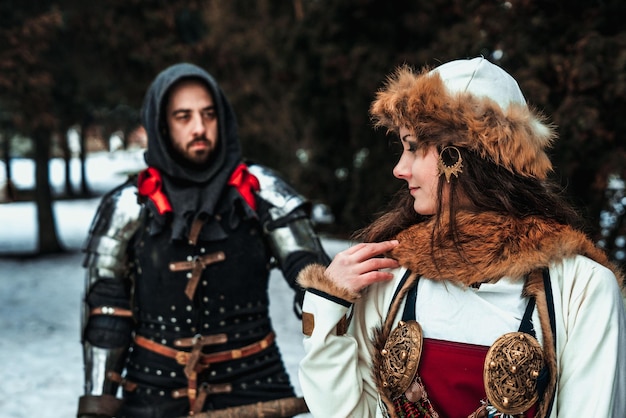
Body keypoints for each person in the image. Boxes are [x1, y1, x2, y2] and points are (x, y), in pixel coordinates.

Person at [297, 57, 626, 417]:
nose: (399, 169)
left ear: (458, 155)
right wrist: (328, 304)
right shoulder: (389, 277)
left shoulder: (582, 289)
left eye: (412, 147)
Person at [77, 62, 329, 418]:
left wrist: (339, 368)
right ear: (161, 125)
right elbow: (106, 313)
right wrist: (97, 404)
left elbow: (319, 286)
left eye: (208, 114)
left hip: (256, 388)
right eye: (184, 116)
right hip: (153, 394)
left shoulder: (261, 192)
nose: (199, 127)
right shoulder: (127, 206)